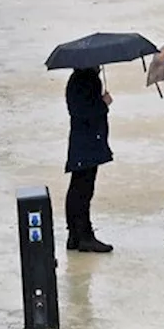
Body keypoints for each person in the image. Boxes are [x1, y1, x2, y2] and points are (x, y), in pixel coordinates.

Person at [65, 67, 114, 253]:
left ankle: (75, 235)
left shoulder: (80, 79)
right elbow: (82, 110)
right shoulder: (85, 80)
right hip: (87, 141)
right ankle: (84, 235)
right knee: (83, 189)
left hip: (85, 140)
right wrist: (104, 103)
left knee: (78, 186)